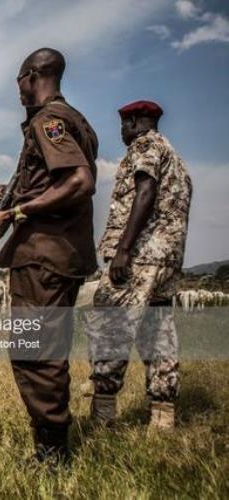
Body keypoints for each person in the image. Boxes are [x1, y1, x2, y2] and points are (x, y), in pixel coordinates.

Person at [0, 48, 98, 463]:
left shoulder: (50, 120)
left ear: (31, 76)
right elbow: (55, 183)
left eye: (18, 79)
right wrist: (9, 208)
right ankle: (52, 445)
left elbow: (79, 181)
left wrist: (18, 210)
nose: (17, 89)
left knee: (36, 353)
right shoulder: (73, 120)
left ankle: (52, 455)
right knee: (46, 350)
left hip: (44, 257)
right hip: (58, 254)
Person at [86, 100, 192, 430]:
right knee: (158, 331)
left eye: (123, 124)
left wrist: (123, 250)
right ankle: (162, 415)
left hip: (140, 256)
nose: (121, 131)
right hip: (166, 260)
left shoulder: (145, 145)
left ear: (134, 121)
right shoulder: (176, 158)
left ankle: (103, 413)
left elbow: (145, 192)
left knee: (110, 324)